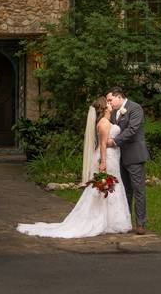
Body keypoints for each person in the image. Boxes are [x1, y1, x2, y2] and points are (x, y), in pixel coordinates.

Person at [16, 97, 132, 238]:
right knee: (106, 187)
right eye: (108, 102)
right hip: (107, 157)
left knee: (110, 187)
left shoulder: (107, 121)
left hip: (112, 156)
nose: (110, 103)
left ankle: (111, 221)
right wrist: (103, 162)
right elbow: (102, 144)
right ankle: (104, 220)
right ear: (104, 107)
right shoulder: (104, 123)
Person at [106, 87, 149, 235]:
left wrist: (114, 142)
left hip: (134, 155)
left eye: (110, 100)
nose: (109, 103)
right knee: (124, 191)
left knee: (138, 190)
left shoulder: (135, 108)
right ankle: (126, 221)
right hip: (119, 157)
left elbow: (133, 130)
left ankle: (141, 223)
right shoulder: (113, 112)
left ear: (119, 97)